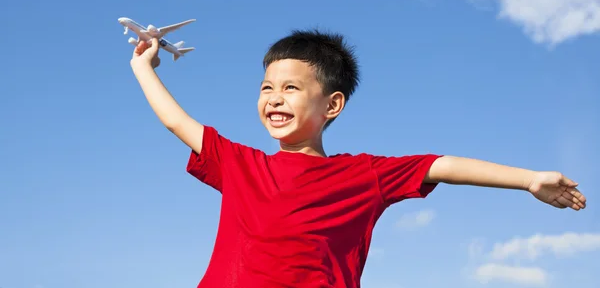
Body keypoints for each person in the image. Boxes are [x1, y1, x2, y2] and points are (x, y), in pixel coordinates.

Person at [129, 29, 587, 288]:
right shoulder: (241, 164)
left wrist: (529, 179)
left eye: (291, 88)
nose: (274, 98)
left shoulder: (362, 174)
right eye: (267, 88)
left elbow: (441, 166)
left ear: (332, 105)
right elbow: (177, 121)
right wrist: (141, 67)